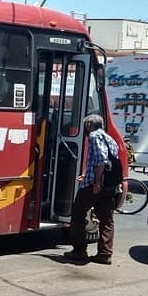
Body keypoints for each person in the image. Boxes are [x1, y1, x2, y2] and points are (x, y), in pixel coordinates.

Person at [63, 113, 122, 265]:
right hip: (109, 185)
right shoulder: (110, 138)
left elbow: (101, 160)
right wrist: (86, 173)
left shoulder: (95, 136)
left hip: (94, 186)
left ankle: (79, 251)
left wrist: (96, 182)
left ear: (89, 125)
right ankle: (104, 254)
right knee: (107, 220)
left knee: (77, 215)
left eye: (85, 126)